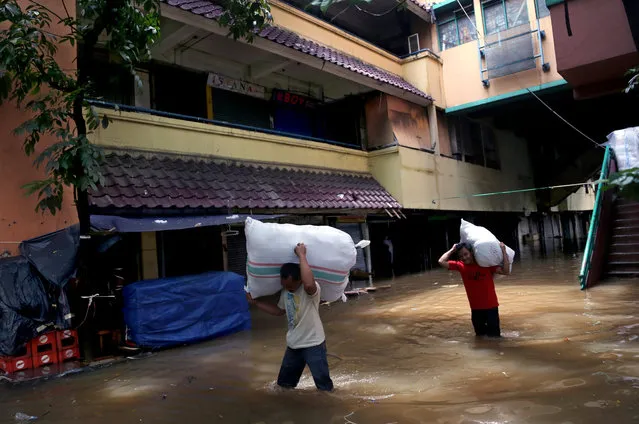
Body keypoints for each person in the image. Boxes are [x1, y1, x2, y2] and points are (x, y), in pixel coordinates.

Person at [246, 242, 334, 391]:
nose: (289, 289)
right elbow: (279, 311)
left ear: (299, 280)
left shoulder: (311, 291)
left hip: (313, 343)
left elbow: (308, 283)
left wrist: (301, 255)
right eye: (285, 285)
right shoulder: (286, 292)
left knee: (324, 387)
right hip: (294, 344)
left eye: (292, 286)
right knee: (283, 386)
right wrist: (255, 303)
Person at [438, 242, 510, 338]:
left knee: (495, 339)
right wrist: (452, 250)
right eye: (461, 256)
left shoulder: (485, 264)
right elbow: (441, 261)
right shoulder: (460, 266)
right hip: (476, 310)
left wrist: (503, 251)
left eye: (466, 254)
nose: (464, 258)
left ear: (471, 252)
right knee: (480, 338)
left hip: (491, 308)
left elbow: (506, 271)